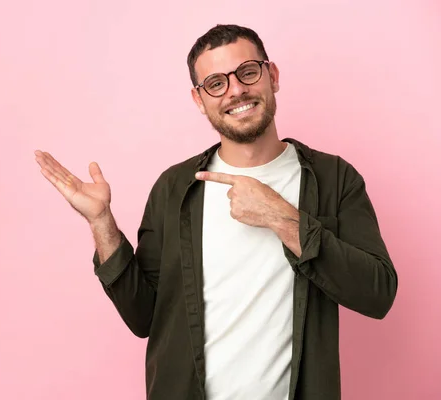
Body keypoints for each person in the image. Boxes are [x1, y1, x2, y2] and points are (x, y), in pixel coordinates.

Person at [34, 24, 398, 400]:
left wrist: (282, 217)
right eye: (216, 83)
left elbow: (377, 293)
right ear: (199, 99)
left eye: (248, 73)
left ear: (271, 76)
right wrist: (101, 222)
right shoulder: (173, 187)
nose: (236, 90)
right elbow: (143, 316)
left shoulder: (335, 178)